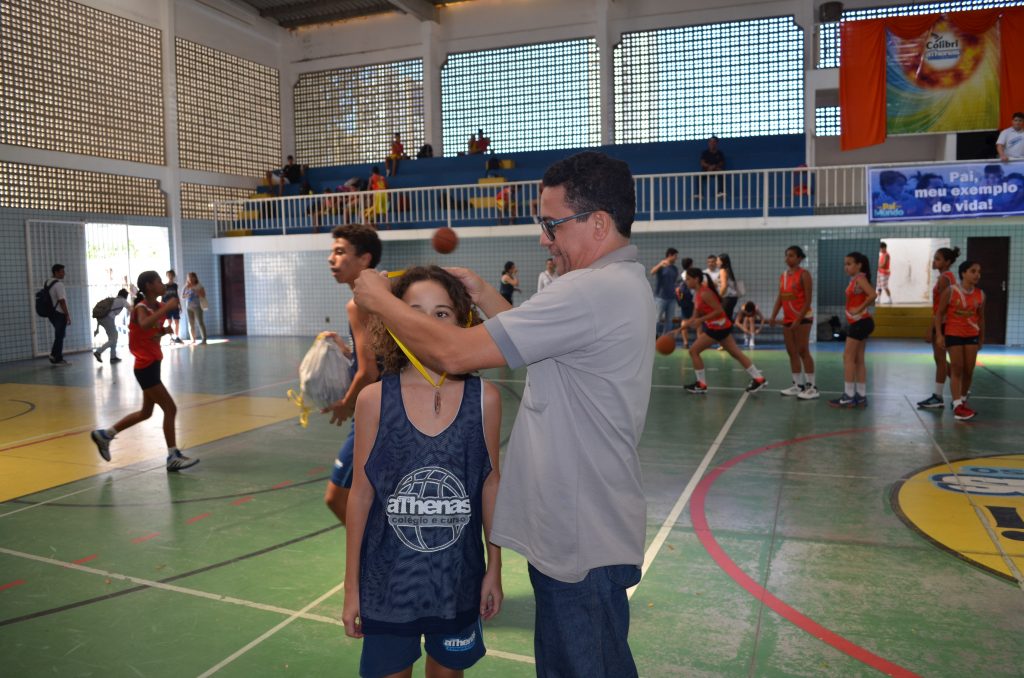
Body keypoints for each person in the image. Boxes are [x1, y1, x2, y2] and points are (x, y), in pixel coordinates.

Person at [352, 151, 654, 677]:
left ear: (598, 223)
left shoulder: (593, 290)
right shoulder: (615, 286)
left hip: (581, 540)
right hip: (578, 533)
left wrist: (379, 299)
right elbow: (549, 343)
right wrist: (486, 295)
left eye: (552, 224)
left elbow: (454, 354)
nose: (544, 238)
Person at [343, 266, 503, 677]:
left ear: (463, 321)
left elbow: (489, 485)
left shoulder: (484, 399)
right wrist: (351, 586)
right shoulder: (374, 399)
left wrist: (494, 567)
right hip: (387, 583)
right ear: (395, 321)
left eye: (442, 314)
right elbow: (360, 494)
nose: (429, 324)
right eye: (414, 311)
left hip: (456, 581)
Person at [90, 271, 198, 471]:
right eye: (158, 281)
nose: (162, 284)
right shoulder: (141, 308)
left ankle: (105, 435)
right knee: (170, 408)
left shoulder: (156, 307)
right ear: (149, 286)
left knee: (146, 412)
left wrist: (163, 331)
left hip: (151, 365)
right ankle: (172, 455)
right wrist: (167, 307)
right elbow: (144, 323)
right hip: (146, 368)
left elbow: (150, 332)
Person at [322, 224, 383, 526]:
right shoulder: (385, 292)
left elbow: (369, 372)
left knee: (337, 497)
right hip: (403, 405)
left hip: (378, 410)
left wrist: (346, 404)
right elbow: (381, 357)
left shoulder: (358, 304)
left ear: (364, 259)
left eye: (340, 252)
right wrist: (345, 350)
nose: (331, 259)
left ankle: (375, 564)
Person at [677, 268, 767, 395]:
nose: (686, 282)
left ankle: (701, 384)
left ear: (696, 279)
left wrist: (701, 320)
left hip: (717, 327)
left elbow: (719, 311)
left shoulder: (705, 293)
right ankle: (758, 378)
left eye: (688, 279)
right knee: (736, 353)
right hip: (720, 326)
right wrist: (680, 329)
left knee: (693, 351)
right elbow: (694, 316)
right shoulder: (697, 294)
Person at [934, 261, 985, 421]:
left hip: (971, 334)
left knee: (969, 370)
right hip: (953, 333)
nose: (977, 275)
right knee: (957, 368)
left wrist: (982, 337)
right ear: (963, 273)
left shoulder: (981, 295)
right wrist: (939, 335)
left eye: (979, 272)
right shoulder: (951, 291)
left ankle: (962, 401)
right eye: (973, 271)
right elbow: (939, 313)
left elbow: (981, 318)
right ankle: (957, 405)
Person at [770, 246, 818, 399]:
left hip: (803, 318)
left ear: (799, 258)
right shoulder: (783, 276)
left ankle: (812, 387)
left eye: (791, 255)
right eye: (786, 256)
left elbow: (808, 299)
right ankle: (797, 385)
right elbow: (781, 297)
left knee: (803, 351)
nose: (787, 258)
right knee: (791, 351)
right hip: (788, 318)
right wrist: (773, 315)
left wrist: (798, 319)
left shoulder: (804, 275)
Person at [830, 252, 876, 408]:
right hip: (862, 322)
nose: (846, 267)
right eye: (845, 264)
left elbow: (873, 295)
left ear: (859, 265)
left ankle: (849, 396)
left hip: (860, 322)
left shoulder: (860, 278)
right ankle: (861, 396)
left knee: (847, 358)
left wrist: (859, 309)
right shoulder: (856, 280)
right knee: (858, 359)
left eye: (849, 264)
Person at [917, 246, 960, 409]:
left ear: (947, 262)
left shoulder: (944, 279)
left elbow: (941, 308)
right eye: (934, 258)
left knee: (940, 360)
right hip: (945, 322)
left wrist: (933, 328)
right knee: (942, 359)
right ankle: (962, 389)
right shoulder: (947, 277)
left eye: (938, 259)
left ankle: (938, 396)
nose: (934, 261)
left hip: (943, 323)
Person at [93, 289, 131, 364]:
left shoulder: (114, 300)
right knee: (113, 338)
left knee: (113, 338)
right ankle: (98, 352)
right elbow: (130, 308)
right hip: (108, 319)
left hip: (101, 319)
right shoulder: (122, 300)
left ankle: (113, 357)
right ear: (125, 296)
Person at [44, 264, 72, 366]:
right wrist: (67, 314)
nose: (64, 273)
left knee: (59, 335)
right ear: (56, 272)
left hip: (51, 312)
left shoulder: (48, 282)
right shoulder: (59, 284)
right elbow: (62, 301)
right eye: (62, 271)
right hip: (59, 313)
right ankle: (57, 358)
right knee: (60, 336)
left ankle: (54, 355)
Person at [650, 248, 680, 337]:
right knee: (657, 319)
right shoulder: (662, 266)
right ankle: (653, 337)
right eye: (675, 256)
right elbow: (652, 272)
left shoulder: (674, 268)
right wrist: (660, 264)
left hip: (672, 298)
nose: (676, 258)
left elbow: (674, 282)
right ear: (670, 255)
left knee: (669, 320)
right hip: (660, 298)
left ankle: (665, 338)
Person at [697, 135, 726, 201]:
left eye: (714, 142)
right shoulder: (705, 153)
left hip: (717, 170)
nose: (712, 144)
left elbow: (722, 163)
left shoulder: (720, 153)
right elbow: (702, 163)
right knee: (699, 177)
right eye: (710, 142)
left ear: (717, 143)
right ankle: (699, 194)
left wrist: (714, 167)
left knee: (721, 174)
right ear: (708, 143)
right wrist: (709, 167)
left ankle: (720, 192)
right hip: (707, 171)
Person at [181, 272, 207, 345]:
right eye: (189, 277)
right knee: (191, 324)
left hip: (198, 307)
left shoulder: (199, 286)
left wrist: (195, 290)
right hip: (189, 307)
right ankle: (193, 339)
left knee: (200, 322)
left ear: (195, 278)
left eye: (192, 277)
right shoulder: (186, 287)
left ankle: (204, 339)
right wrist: (187, 295)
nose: (190, 279)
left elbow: (203, 295)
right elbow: (182, 296)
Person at [675, 257, 694, 348]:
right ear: (691, 264)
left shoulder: (682, 275)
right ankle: (699, 341)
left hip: (684, 302)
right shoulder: (692, 274)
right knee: (697, 321)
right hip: (692, 300)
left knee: (684, 321)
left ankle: (685, 343)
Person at [716, 253, 740, 321]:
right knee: (728, 317)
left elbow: (724, 286)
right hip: (732, 298)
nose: (716, 262)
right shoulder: (728, 270)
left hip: (727, 298)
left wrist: (718, 297)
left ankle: (724, 331)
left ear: (722, 261)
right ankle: (728, 331)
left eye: (718, 260)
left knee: (723, 318)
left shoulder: (722, 270)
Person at [163, 270, 183, 344]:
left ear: (173, 276)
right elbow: (163, 297)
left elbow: (176, 295)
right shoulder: (165, 286)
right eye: (168, 275)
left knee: (177, 321)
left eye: (171, 275)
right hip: (168, 306)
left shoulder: (175, 285)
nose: (170, 276)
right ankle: (171, 338)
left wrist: (180, 305)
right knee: (169, 322)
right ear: (167, 276)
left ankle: (176, 336)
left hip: (175, 306)